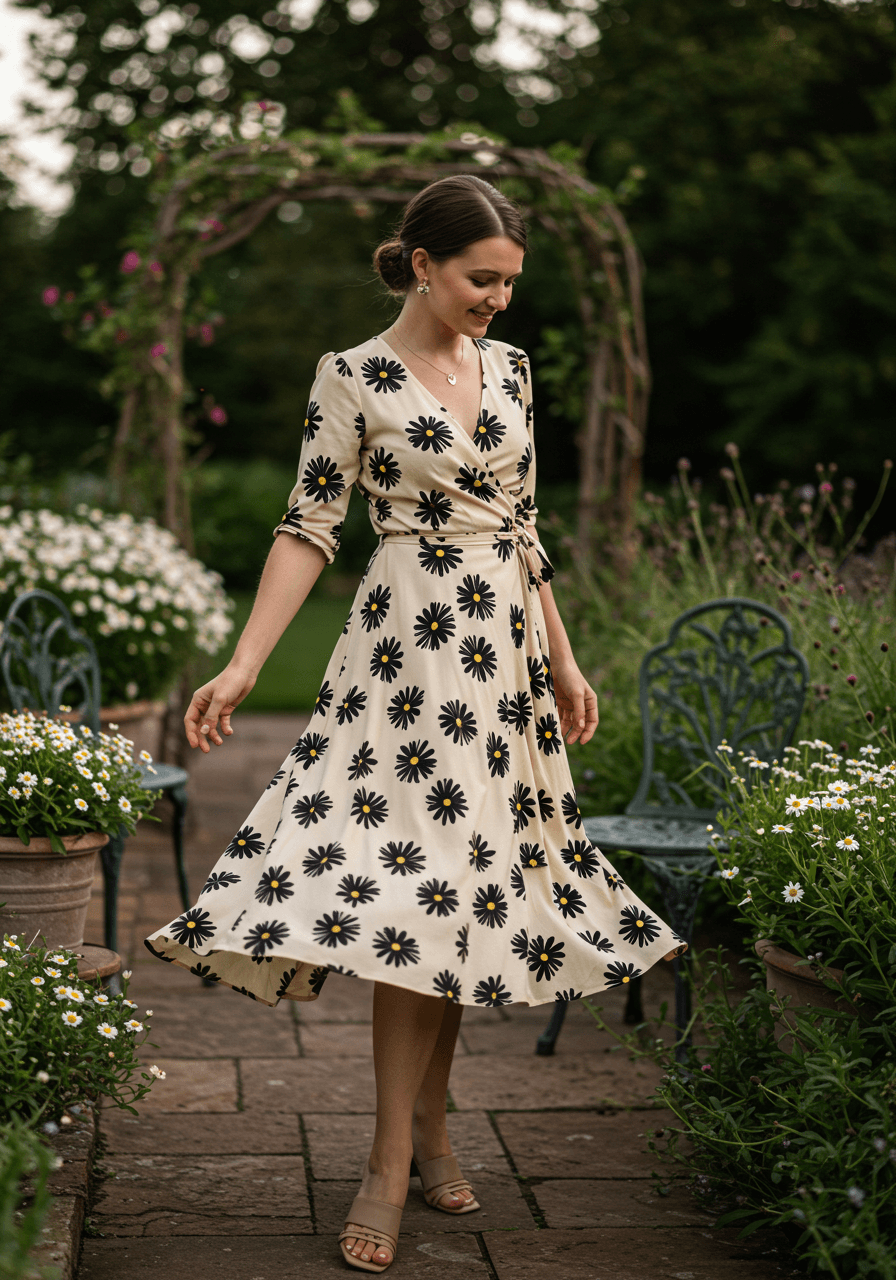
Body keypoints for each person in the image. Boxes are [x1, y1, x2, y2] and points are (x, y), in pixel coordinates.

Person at [144, 174, 686, 1273]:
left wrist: (565, 653)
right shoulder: (351, 377)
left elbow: (521, 528)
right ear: (424, 264)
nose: (497, 299)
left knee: (465, 895)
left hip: (504, 661)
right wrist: (244, 662)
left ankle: (429, 1125)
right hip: (405, 657)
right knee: (411, 890)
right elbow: (307, 526)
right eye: (482, 278)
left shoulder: (514, 371)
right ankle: (390, 1156)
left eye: (509, 283)